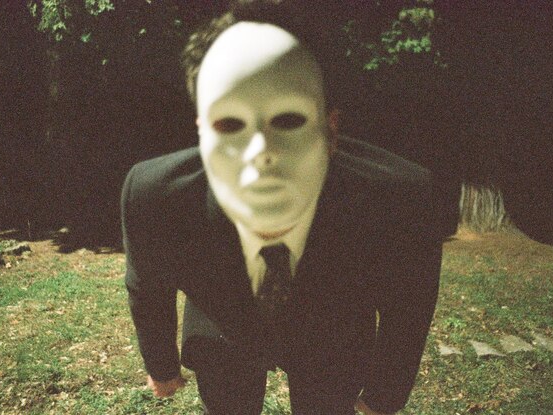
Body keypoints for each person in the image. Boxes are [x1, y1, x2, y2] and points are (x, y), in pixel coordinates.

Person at [121, 2, 444, 414]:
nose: (261, 155)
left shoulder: (398, 201)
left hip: (332, 327)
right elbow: (147, 286)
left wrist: (385, 393)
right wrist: (162, 364)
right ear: (201, 130)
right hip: (225, 326)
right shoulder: (158, 198)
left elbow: (410, 303)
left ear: (330, 129)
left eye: (289, 119)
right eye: (230, 123)